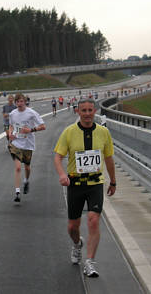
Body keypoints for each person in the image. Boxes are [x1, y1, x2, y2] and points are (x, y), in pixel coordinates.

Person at [53, 98, 116, 277]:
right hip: (75, 185)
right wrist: (62, 175)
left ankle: (90, 261)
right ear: (77, 112)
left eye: (90, 110)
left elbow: (109, 158)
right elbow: (57, 157)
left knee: (93, 220)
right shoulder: (69, 132)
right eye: (84, 110)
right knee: (73, 226)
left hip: (95, 184)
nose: (87, 114)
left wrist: (113, 181)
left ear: (95, 111)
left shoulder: (104, 132)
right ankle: (77, 244)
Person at [8, 93, 46, 202]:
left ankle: (26, 180)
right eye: (17, 102)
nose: (19, 103)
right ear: (15, 103)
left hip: (28, 144)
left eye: (21, 101)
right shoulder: (13, 114)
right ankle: (17, 192)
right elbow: (11, 125)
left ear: (25, 102)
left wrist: (31, 130)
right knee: (18, 167)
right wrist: (10, 133)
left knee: (27, 168)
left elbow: (43, 126)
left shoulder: (32, 113)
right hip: (15, 143)